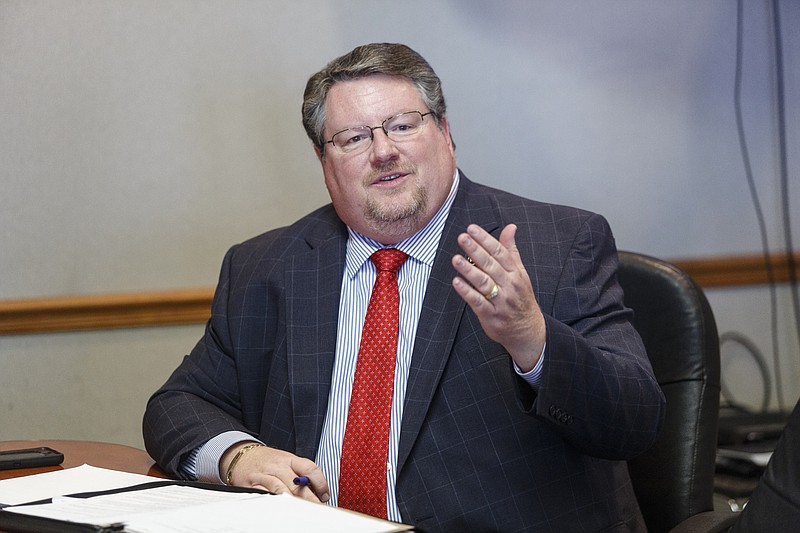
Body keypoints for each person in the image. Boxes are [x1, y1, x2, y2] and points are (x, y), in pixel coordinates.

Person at [143, 42, 665, 532]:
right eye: (353, 138)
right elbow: (177, 405)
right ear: (325, 162)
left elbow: (635, 421)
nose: (383, 151)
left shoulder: (556, 245)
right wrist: (242, 457)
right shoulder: (265, 266)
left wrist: (532, 337)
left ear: (445, 132)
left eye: (402, 126)